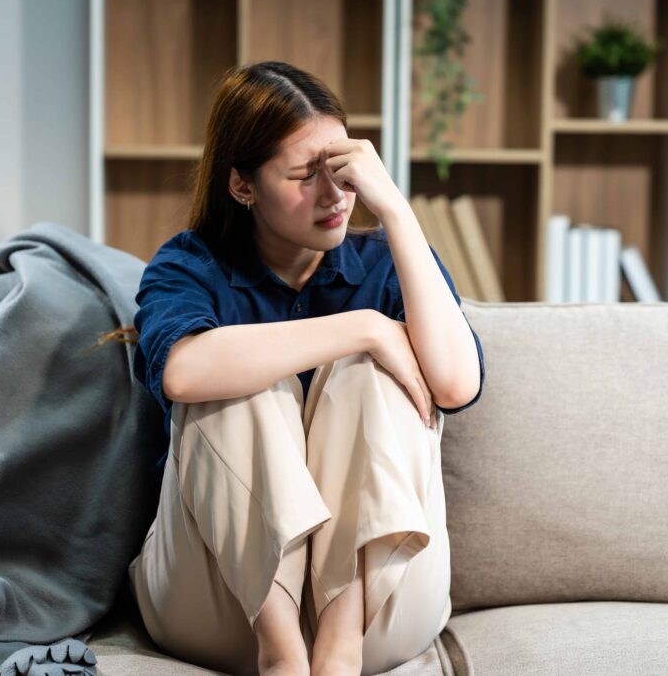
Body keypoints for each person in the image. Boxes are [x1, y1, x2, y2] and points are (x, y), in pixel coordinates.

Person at [102, 60, 485, 676]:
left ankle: (335, 647)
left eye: (343, 172)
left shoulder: (387, 263)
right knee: (239, 368)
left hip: (380, 613)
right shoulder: (189, 265)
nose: (334, 197)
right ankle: (283, 652)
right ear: (242, 185)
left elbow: (456, 384)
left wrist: (394, 208)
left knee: (364, 371)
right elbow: (182, 374)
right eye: (306, 176)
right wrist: (364, 328)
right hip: (219, 609)